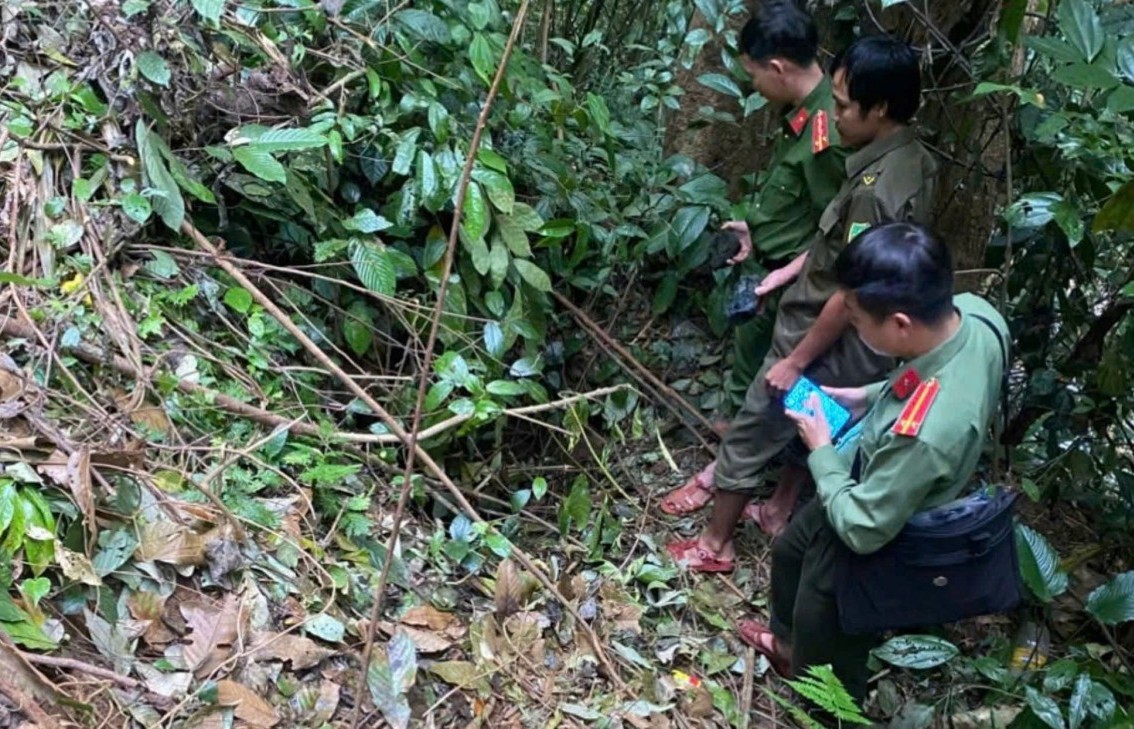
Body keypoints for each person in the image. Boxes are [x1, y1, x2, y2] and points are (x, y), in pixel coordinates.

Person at [667, 34, 938, 570]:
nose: (833, 116)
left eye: (844, 106)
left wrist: (795, 360)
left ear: (880, 109)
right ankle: (778, 509)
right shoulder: (913, 160)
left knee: (754, 425)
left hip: (825, 332)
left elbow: (853, 290)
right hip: (853, 338)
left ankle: (714, 546)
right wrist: (789, 272)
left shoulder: (875, 188)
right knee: (810, 421)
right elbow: (843, 246)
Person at [736, 222, 1010, 705]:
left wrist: (821, 447)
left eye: (857, 319)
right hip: (865, 473)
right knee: (791, 552)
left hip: (880, 511)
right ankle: (787, 645)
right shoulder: (976, 314)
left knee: (826, 620)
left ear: (900, 324)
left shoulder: (927, 434)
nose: (854, 327)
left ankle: (826, 705)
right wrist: (867, 396)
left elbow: (864, 528)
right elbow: (929, 376)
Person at [661, 0, 848, 527]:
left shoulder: (828, 132)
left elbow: (838, 231)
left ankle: (737, 489)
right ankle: (743, 479)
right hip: (768, 272)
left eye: (753, 75)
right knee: (754, 380)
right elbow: (796, 202)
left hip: (798, 285)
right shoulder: (802, 114)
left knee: (782, 388)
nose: (753, 86)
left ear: (778, 68)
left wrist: (787, 270)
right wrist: (755, 230)